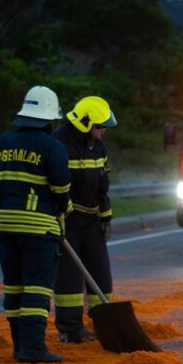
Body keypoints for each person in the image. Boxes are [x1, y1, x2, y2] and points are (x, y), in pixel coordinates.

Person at [0, 86, 71, 363]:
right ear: (50, 118)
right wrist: (63, 209)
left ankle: (19, 345)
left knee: (14, 286)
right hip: (38, 228)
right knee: (37, 288)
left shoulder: (0, 143)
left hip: (6, 224)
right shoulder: (52, 147)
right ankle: (33, 349)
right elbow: (61, 188)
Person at [52, 96, 117, 343]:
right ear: (85, 124)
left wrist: (105, 217)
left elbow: (103, 185)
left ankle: (106, 325)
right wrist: (60, 217)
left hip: (91, 222)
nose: (104, 131)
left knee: (101, 273)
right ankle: (71, 329)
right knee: (68, 277)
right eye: (100, 127)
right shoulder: (59, 144)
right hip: (69, 220)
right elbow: (57, 185)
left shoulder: (98, 146)